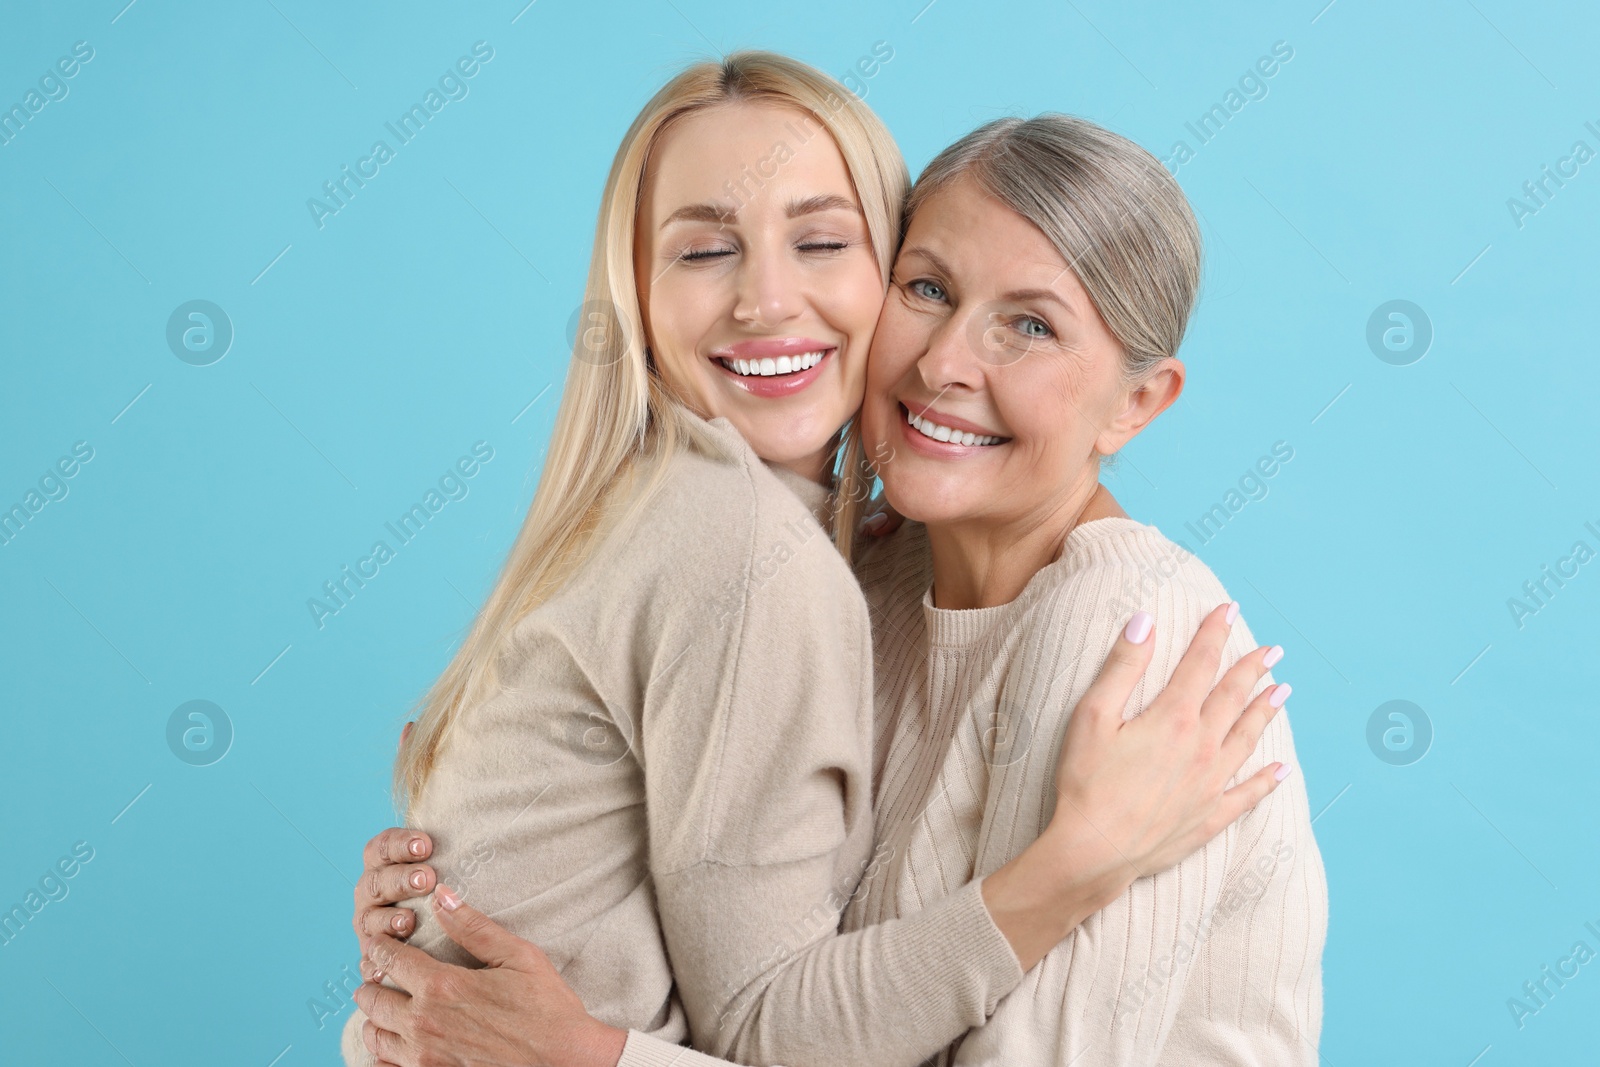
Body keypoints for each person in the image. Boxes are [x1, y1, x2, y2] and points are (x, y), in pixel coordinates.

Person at [348, 56, 1306, 1067]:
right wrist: (464, 892)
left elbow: (772, 1019)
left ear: (1137, 402)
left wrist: (592, 1054)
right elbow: (776, 995)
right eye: (928, 287)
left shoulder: (1133, 650)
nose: (943, 363)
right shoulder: (851, 572)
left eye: (1029, 325)